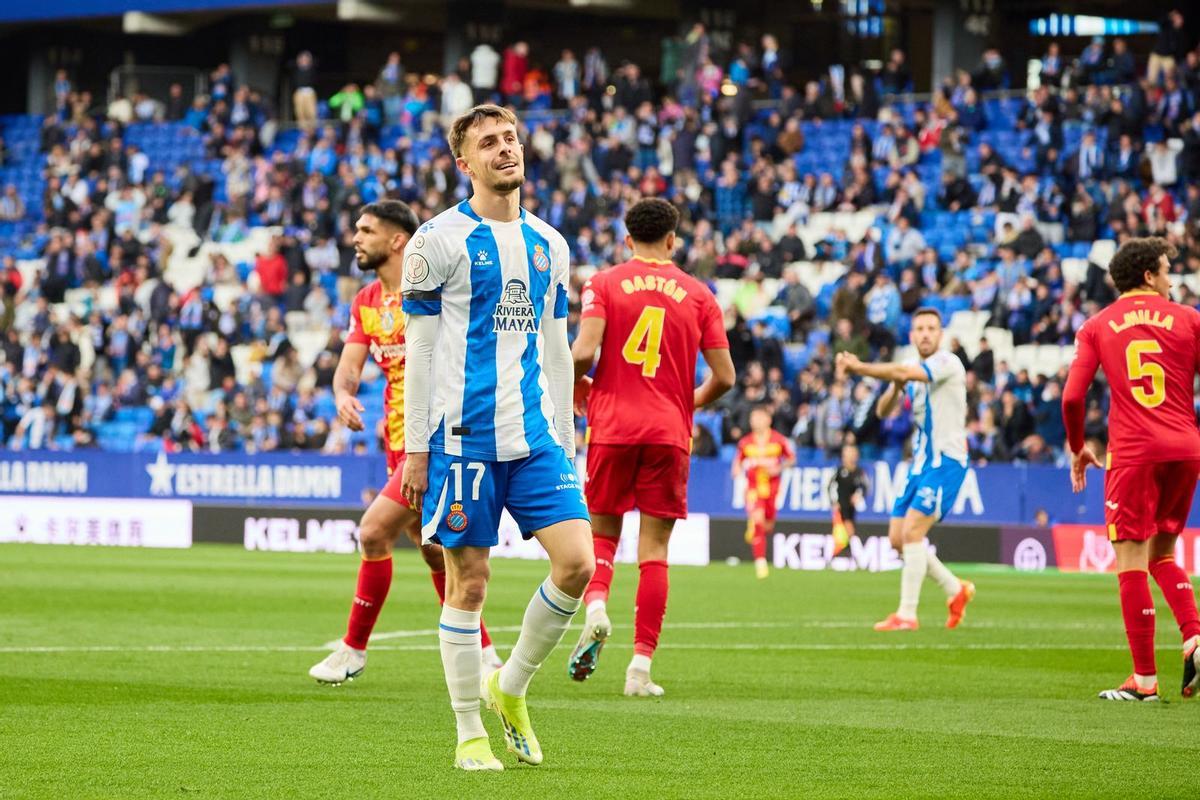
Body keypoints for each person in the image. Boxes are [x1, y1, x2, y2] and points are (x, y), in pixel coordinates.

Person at [400, 105, 593, 772]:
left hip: (537, 436)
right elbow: (420, 353)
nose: (505, 149)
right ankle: (467, 734)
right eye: (488, 142)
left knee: (577, 564)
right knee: (470, 583)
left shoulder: (551, 242)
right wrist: (416, 448)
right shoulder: (435, 241)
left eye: (510, 137)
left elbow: (557, 349)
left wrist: (568, 440)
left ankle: (508, 687)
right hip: (461, 439)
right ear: (465, 163)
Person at [308, 200, 501, 685]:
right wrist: (342, 396)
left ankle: (352, 651)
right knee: (435, 552)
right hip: (398, 441)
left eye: (366, 230)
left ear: (398, 240)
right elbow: (349, 369)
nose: (356, 237)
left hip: (436, 439)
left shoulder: (433, 288)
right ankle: (484, 653)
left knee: (373, 533)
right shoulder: (365, 301)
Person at [566, 197, 734, 696]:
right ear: (673, 240)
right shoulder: (699, 294)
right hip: (668, 431)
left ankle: (596, 609)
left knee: (601, 535)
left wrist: (576, 383)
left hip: (613, 426)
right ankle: (639, 670)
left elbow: (582, 352)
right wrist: (687, 402)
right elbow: (725, 376)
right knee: (655, 550)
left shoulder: (604, 283)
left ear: (626, 239)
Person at [1062, 237, 1200, 701]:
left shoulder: (1097, 326)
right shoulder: (1190, 319)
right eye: (1164, 271)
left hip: (1135, 453)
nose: (1169, 279)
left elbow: (1072, 397)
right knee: (1164, 554)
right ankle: (1195, 638)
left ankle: (1143, 681)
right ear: (1147, 276)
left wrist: (1079, 447)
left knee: (1131, 562)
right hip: (1186, 449)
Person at [837, 308, 975, 631]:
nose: (926, 334)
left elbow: (911, 373)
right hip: (920, 465)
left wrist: (859, 367)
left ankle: (907, 615)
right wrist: (896, 386)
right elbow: (884, 411)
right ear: (912, 336)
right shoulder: (910, 371)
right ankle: (956, 590)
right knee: (898, 539)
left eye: (931, 328)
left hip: (947, 463)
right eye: (920, 329)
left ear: (940, 335)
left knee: (913, 532)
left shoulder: (947, 363)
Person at [732, 405, 796, 579]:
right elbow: (737, 462)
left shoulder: (778, 440)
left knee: (767, 525)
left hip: (772, 490)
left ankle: (754, 529)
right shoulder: (745, 442)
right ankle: (760, 563)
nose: (755, 421)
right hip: (753, 490)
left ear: (768, 419)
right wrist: (737, 469)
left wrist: (779, 468)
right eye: (753, 418)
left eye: (759, 417)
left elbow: (791, 459)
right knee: (759, 520)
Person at [828, 443, 870, 548]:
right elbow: (829, 486)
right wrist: (833, 502)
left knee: (849, 529)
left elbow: (865, 487)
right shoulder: (839, 471)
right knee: (844, 529)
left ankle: (848, 550)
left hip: (852, 507)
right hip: (841, 505)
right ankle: (846, 550)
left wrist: (858, 495)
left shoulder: (859, 472)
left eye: (852, 454)